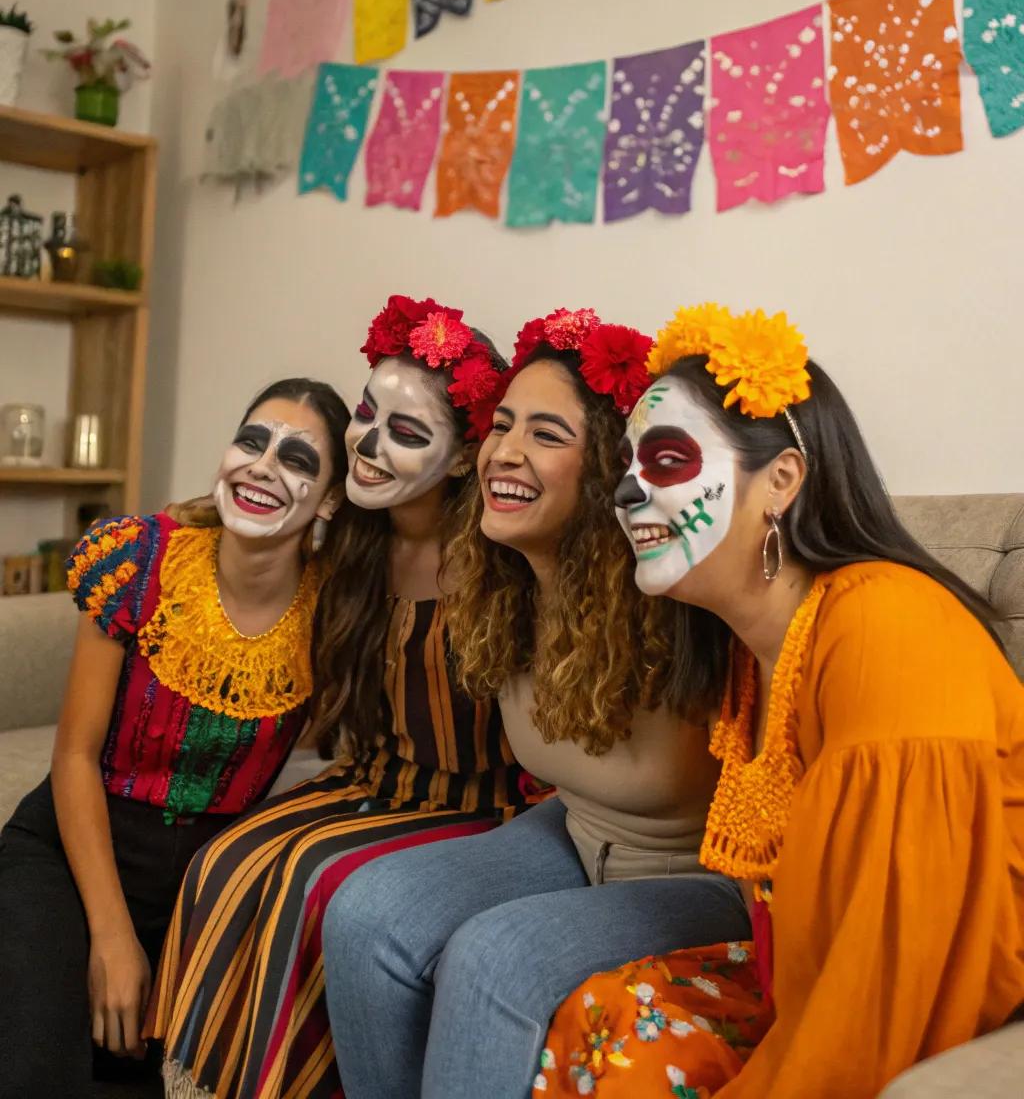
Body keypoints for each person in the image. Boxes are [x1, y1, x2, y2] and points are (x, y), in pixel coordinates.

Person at [535, 303, 1024, 1098]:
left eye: (664, 460)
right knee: (606, 1012)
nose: (625, 494)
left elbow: (893, 962)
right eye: (626, 467)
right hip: (808, 980)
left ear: (783, 481)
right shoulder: (745, 659)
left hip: (937, 1003)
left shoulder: (884, 627)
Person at [322, 308, 748, 1099]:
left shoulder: (675, 584)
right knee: (365, 913)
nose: (505, 452)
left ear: (607, 473)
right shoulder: (498, 587)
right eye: (503, 425)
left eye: (547, 435)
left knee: (496, 955)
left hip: (705, 878)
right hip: (574, 833)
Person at [150, 295, 519, 1099]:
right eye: (365, 415)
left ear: (461, 460)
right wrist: (172, 527)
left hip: (479, 803)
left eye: (408, 433)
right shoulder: (352, 533)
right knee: (224, 859)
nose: (370, 444)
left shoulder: (496, 556)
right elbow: (242, 527)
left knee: (307, 881)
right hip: (372, 781)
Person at [0, 375, 349, 1099]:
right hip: (70, 849)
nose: (262, 465)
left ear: (331, 500)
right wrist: (113, 936)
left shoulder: (336, 614)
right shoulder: (143, 562)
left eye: (298, 460)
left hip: (199, 883)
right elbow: (72, 756)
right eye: (252, 441)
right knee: (38, 1073)